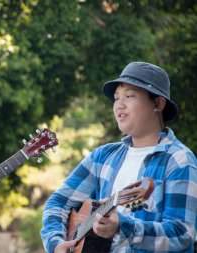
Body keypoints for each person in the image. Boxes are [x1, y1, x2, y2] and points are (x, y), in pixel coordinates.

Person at [41, 61, 197, 253]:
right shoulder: (102, 157)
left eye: (129, 96)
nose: (119, 105)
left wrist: (123, 227)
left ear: (157, 103)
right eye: (116, 98)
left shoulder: (179, 161)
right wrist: (55, 242)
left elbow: (182, 234)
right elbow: (57, 203)